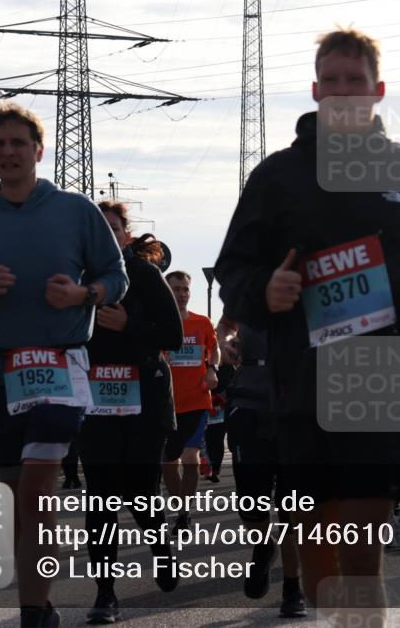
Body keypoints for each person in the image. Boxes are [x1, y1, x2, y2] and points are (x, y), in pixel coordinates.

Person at [214, 27, 400, 619]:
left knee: (360, 535)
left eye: (355, 81)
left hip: (380, 375)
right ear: (314, 90)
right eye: (331, 81)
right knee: (318, 542)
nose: (342, 92)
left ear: (377, 90)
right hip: (299, 379)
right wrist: (265, 291)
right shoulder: (277, 177)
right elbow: (234, 267)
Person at [0, 103, 128, 628]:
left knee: (39, 490)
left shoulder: (74, 209)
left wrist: (85, 294)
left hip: (60, 368)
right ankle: (40, 601)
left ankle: (30, 614)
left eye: (18, 143)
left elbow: (116, 276)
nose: (8, 153)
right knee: (20, 499)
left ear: (39, 150)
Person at [79, 201, 184, 622]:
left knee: (142, 496)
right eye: (98, 229)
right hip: (94, 404)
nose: (107, 235)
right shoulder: (78, 280)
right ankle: (106, 594)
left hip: (143, 401)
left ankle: (160, 547)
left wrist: (129, 326)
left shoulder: (144, 274)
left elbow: (173, 336)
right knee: (100, 500)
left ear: (126, 234)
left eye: (114, 228)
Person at [217, 317, 308, 618]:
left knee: (292, 508)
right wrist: (226, 341)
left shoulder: (315, 287)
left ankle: (293, 588)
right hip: (250, 401)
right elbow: (226, 324)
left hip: (299, 405)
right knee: (251, 505)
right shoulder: (248, 285)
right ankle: (264, 546)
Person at [162, 271, 219, 531]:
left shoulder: (202, 322)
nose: (182, 294)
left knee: (190, 458)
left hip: (197, 400)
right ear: (166, 291)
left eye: (185, 289)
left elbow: (214, 348)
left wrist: (212, 368)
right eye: (176, 289)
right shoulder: (160, 323)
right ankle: (180, 507)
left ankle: (184, 513)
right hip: (168, 403)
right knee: (168, 462)